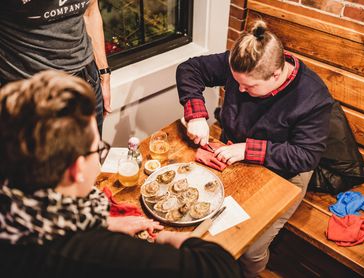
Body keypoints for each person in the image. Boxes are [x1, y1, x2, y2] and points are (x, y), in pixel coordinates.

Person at [0, 70, 241, 278]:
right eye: (98, 149)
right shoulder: (91, 255)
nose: (100, 158)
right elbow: (221, 268)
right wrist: (167, 240)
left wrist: (106, 222)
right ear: (76, 170)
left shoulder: (12, 197)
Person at [176, 20, 334, 277]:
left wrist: (247, 150)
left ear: (276, 74)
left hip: (285, 172)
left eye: (249, 86)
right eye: (237, 82)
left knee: (250, 248)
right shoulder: (242, 63)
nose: (239, 89)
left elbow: (305, 156)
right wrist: (195, 114)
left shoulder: (312, 98)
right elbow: (190, 69)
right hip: (233, 152)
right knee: (201, 215)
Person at [0, 0, 111, 134]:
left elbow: (90, 11)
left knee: (92, 153)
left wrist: (104, 74)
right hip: (30, 94)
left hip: (86, 81)